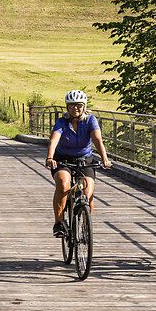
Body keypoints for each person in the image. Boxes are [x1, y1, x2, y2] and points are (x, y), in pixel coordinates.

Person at [45, 90, 111, 236]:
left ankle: (86, 223)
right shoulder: (62, 122)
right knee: (63, 183)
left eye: (79, 105)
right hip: (62, 159)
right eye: (72, 105)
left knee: (88, 191)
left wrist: (105, 158)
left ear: (84, 106)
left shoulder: (90, 120)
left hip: (84, 159)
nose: (75, 108)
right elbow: (54, 139)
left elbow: (97, 140)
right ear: (67, 107)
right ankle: (59, 223)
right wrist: (50, 157)